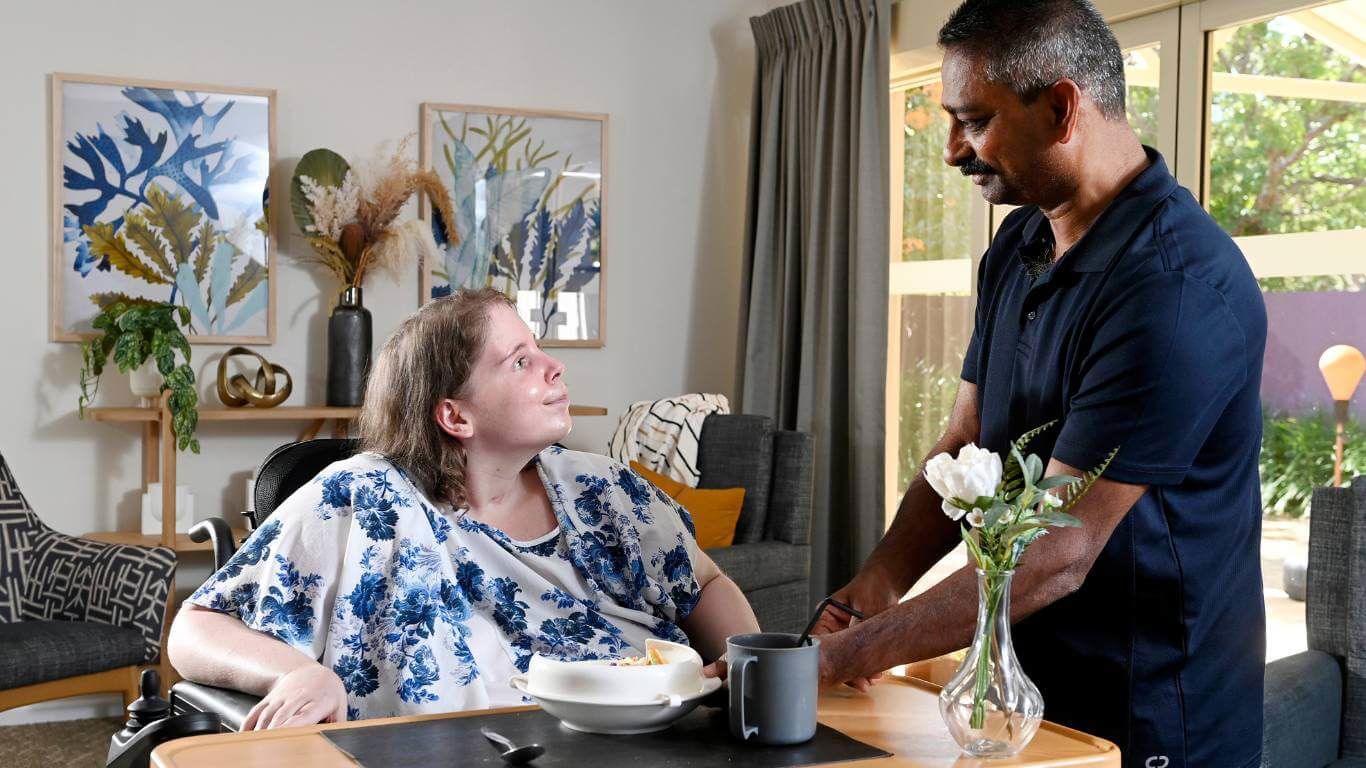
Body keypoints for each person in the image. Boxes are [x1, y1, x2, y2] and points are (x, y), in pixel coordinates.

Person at [814, 1, 1267, 766]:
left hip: (1153, 709)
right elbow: (965, 441)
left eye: (975, 121)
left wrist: (842, 659)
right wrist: (870, 592)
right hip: (1022, 681)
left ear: (1061, 108)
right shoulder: (1021, 241)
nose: (954, 150)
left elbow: (1062, 547)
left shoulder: (1176, 290)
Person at [168, 288, 758, 729]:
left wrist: (747, 671)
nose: (556, 367)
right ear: (455, 416)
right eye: (520, 361)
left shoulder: (604, 491)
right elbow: (195, 629)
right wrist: (297, 673)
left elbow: (703, 586)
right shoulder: (366, 498)